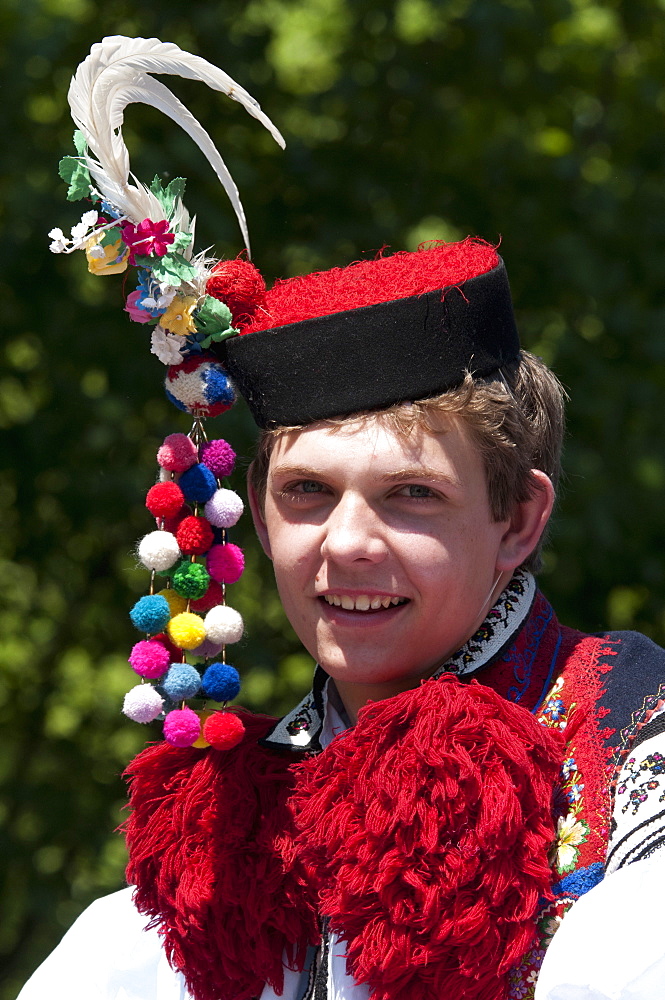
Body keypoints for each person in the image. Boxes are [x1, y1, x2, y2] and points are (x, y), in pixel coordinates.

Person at [24, 34, 665, 1000]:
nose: (346, 545)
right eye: (306, 493)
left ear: (518, 521)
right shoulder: (224, 850)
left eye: (412, 495)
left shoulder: (635, 759)